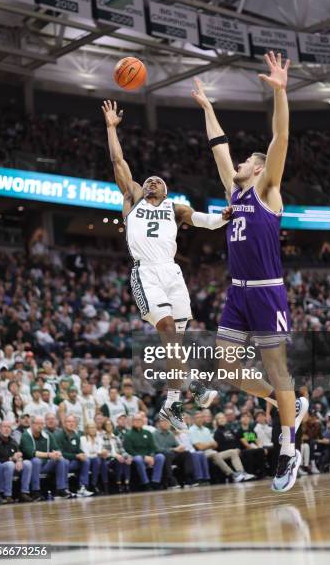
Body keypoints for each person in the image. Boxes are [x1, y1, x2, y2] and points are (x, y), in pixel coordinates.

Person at [191, 53, 308, 492]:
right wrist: (207, 108)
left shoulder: (268, 189)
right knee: (228, 367)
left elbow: (281, 135)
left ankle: (286, 446)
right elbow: (218, 147)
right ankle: (288, 404)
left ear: (257, 169)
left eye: (244, 162)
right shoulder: (234, 194)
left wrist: (280, 91)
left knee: (276, 368)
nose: (236, 163)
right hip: (238, 292)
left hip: (266, 292)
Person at [102, 99, 231, 431]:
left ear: (167, 188)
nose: (151, 182)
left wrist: (224, 217)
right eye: (148, 180)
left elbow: (205, 221)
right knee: (168, 332)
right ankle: (191, 386)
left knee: (176, 341)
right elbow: (118, 161)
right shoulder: (132, 198)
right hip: (146, 270)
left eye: (157, 180)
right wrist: (111, 128)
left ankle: (173, 403)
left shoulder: (176, 208)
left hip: (172, 272)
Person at [20, 415, 71, 500]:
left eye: (42, 424)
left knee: (61, 460)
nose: (40, 426)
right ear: (31, 424)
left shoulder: (48, 434)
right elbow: (31, 453)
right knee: (36, 461)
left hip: (46, 465)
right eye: (37, 423)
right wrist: (49, 455)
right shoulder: (26, 435)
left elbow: (56, 448)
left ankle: (61, 489)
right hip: (31, 465)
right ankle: (35, 491)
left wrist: (57, 453)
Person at [189, 411, 245, 483]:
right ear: (194, 419)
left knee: (233, 452)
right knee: (214, 453)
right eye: (197, 418)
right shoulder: (191, 430)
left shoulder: (206, 429)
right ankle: (232, 474)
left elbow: (215, 445)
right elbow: (199, 447)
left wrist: (206, 445)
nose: (200, 419)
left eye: (201, 417)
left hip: (212, 452)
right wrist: (210, 444)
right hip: (201, 454)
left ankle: (241, 473)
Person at [0, 419, 33, 502]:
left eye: (9, 427)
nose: (7, 429)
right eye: (4, 427)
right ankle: (7, 495)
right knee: (10, 464)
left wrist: (19, 460)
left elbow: (19, 454)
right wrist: (12, 459)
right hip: (2, 468)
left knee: (28, 463)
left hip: (14, 466)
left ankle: (24, 493)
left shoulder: (13, 442)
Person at [123, 413, 165, 490]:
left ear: (143, 422)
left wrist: (151, 456)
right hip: (136, 457)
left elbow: (153, 447)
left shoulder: (148, 433)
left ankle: (155, 482)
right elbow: (129, 450)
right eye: (135, 420)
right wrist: (144, 457)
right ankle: (146, 483)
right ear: (132, 422)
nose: (138, 422)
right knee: (138, 458)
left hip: (149, 456)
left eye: (139, 420)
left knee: (160, 457)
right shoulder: (128, 435)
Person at [55, 414, 93, 497]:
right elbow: (60, 453)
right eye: (69, 422)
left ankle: (82, 487)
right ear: (64, 423)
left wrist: (82, 454)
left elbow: (77, 450)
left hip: (72, 462)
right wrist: (76, 456)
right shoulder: (59, 436)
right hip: (61, 463)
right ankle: (64, 489)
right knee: (64, 461)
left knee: (86, 460)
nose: (71, 424)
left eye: (73, 422)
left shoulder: (76, 436)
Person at [154, 418, 195, 488]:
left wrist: (181, 448)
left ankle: (187, 479)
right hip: (161, 455)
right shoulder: (154, 434)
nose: (166, 423)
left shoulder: (170, 434)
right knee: (167, 455)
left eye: (167, 422)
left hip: (173, 454)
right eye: (163, 421)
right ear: (159, 423)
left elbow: (177, 446)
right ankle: (171, 481)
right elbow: (157, 449)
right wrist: (173, 449)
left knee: (187, 454)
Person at [213, 413, 254, 481]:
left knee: (246, 452)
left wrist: (238, 448)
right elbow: (220, 446)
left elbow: (237, 440)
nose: (222, 419)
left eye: (223, 417)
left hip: (234, 450)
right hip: (224, 452)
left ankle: (245, 473)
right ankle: (241, 473)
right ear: (217, 421)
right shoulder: (217, 432)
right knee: (234, 452)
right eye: (220, 418)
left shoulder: (230, 430)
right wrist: (233, 449)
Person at [101, 418, 132, 493]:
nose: (109, 426)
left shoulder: (116, 438)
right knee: (119, 460)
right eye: (107, 425)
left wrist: (128, 456)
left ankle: (126, 484)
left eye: (110, 424)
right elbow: (103, 452)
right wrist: (115, 456)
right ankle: (119, 485)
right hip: (108, 459)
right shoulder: (101, 438)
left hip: (119, 458)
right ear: (104, 427)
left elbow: (122, 450)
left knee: (126, 460)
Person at [80, 422, 105, 494]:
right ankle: (84, 486)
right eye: (90, 428)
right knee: (88, 460)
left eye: (94, 427)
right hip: (85, 458)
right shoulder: (83, 439)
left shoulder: (99, 439)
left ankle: (94, 484)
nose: (93, 429)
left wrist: (97, 453)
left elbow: (100, 451)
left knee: (97, 461)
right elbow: (86, 453)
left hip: (95, 459)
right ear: (87, 430)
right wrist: (97, 453)